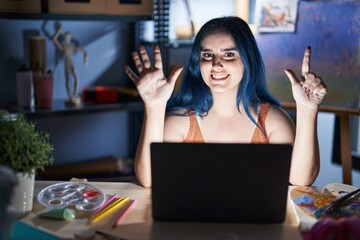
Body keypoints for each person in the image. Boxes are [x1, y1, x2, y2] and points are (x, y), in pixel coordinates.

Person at [124, 16, 327, 188]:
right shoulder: (180, 122)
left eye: (229, 54)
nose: (216, 64)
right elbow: (148, 179)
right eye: (207, 55)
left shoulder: (272, 121)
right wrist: (153, 107)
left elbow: (301, 180)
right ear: (198, 63)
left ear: (248, 60)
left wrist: (308, 110)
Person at [53, 24, 88, 106]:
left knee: (76, 78)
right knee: (67, 80)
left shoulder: (72, 46)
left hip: (71, 62)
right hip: (66, 62)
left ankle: (74, 94)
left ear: (70, 37)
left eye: (68, 37)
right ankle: (69, 96)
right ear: (65, 38)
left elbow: (84, 51)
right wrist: (59, 30)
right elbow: (54, 39)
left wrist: (85, 60)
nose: (67, 38)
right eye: (66, 37)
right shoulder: (63, 46)